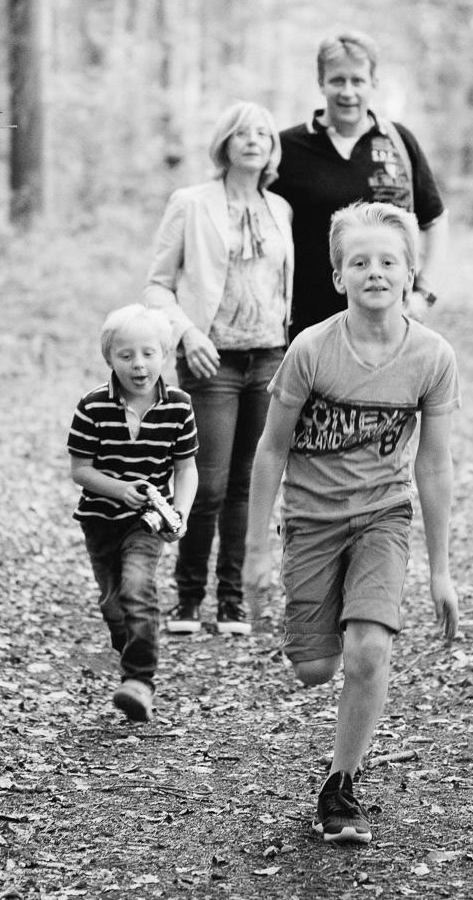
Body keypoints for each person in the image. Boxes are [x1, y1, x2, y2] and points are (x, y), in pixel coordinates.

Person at [245, 201, 460, 845]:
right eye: (359, 262)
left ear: (410, 273)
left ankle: (341, 785)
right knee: (314, 669)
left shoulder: (432, 357)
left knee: (370, 651)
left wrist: (441, 570)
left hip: (382, 517)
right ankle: (327, 633)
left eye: (388, 261)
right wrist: (257, 548)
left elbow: (435, 463)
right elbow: (271, 449)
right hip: (310, 520)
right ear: (338, 275)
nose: (375, 272)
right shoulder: (312, 350)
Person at [144, 101, 294, 637]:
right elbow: (156, 284)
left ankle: (230, 602)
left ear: (272, 148)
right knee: (205, 485)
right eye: (242, 132)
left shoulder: (280, 209)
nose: (253, 140)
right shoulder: (191, 203)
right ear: (225, 144)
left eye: (263, 133)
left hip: (269, 357)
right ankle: (187, 601)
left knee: (247, 486)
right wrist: (188, 335)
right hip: (214, 361)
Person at [67, 304, 199, 722]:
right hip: (100, 520)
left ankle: (140, 681)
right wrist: (120, 489)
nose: (138, 364)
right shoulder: (92, 407)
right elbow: (80, 469)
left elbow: (186, 468)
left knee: (138, 586)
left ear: (165, 355)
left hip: (147, 521)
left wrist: (181, 510)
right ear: (110, 359)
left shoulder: (179, 406)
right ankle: (131, 648)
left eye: (148, 353)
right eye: (126, 356)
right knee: (113, 603)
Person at [273, 30, 449, 338]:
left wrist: (424, 294)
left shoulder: (399, 142)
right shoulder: (286, 149)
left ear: (374, 83)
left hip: (391, 326)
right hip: (311, 329)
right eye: (337, 80)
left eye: (358, 81)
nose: (348, 92)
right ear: (321, 83)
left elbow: (435, 220)